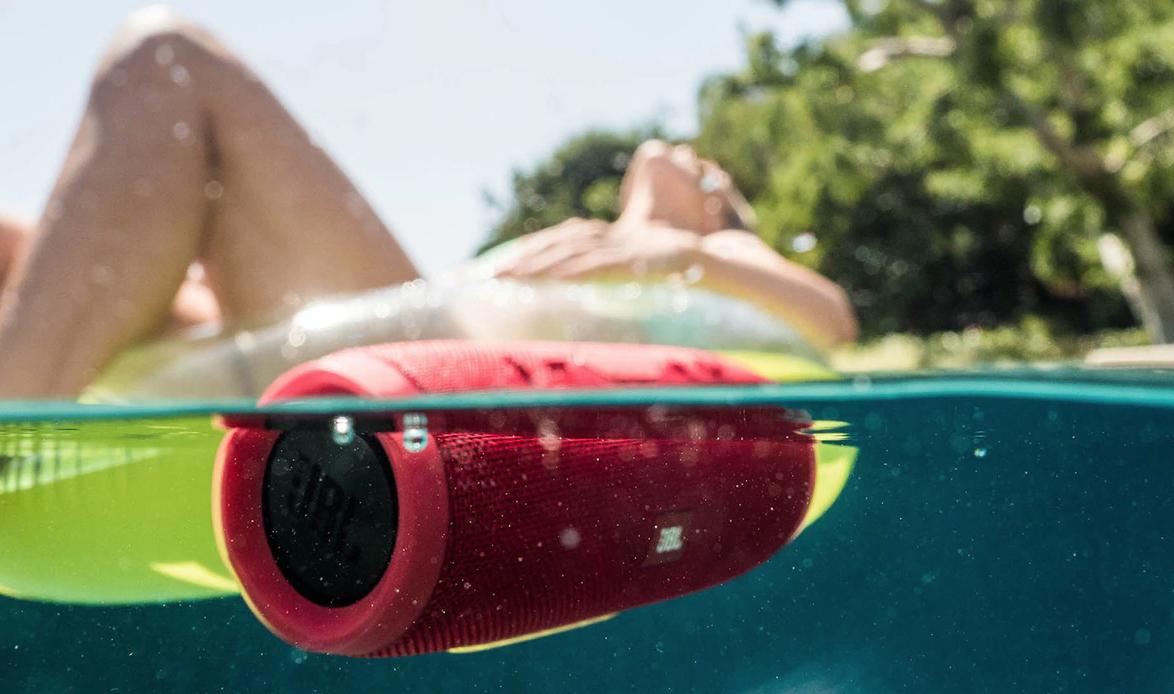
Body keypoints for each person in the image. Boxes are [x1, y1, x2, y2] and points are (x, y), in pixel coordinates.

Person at [0, 7, 856, 398]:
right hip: (356, 321)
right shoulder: (575, 252)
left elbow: (833, 320)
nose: (685, 156)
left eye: (713, 180)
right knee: (16, 242)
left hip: (419, 349)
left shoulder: (711, 260)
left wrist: (681, 252)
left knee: (164, 58)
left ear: (719, 216)